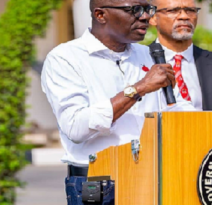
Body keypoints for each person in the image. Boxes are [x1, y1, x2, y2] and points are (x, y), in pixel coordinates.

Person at [41, 0, 194, 204]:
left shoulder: (151, 55)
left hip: (153, 175)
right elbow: (75, 128)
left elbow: (177, 110)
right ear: (101, 15)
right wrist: (138, 89)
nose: (145, 17)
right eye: (135, 10)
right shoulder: (65, 58)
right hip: (98, 182)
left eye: (148, 9)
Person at [149, 0, 212, 110]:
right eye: (173, 10)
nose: (184, 16)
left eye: (190, 10)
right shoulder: (137, 61)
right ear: (153, 17)